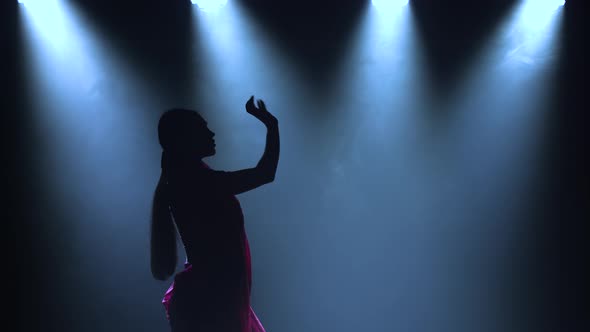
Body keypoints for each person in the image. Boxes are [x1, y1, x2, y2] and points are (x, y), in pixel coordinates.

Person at [150, 96, 279, 332]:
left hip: (216, 296)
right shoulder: (198, 182)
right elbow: (265, 173)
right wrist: (272, 126)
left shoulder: (190, 179)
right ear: (186, 140)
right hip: (213, 301)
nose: (212, 134)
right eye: (203, 129)